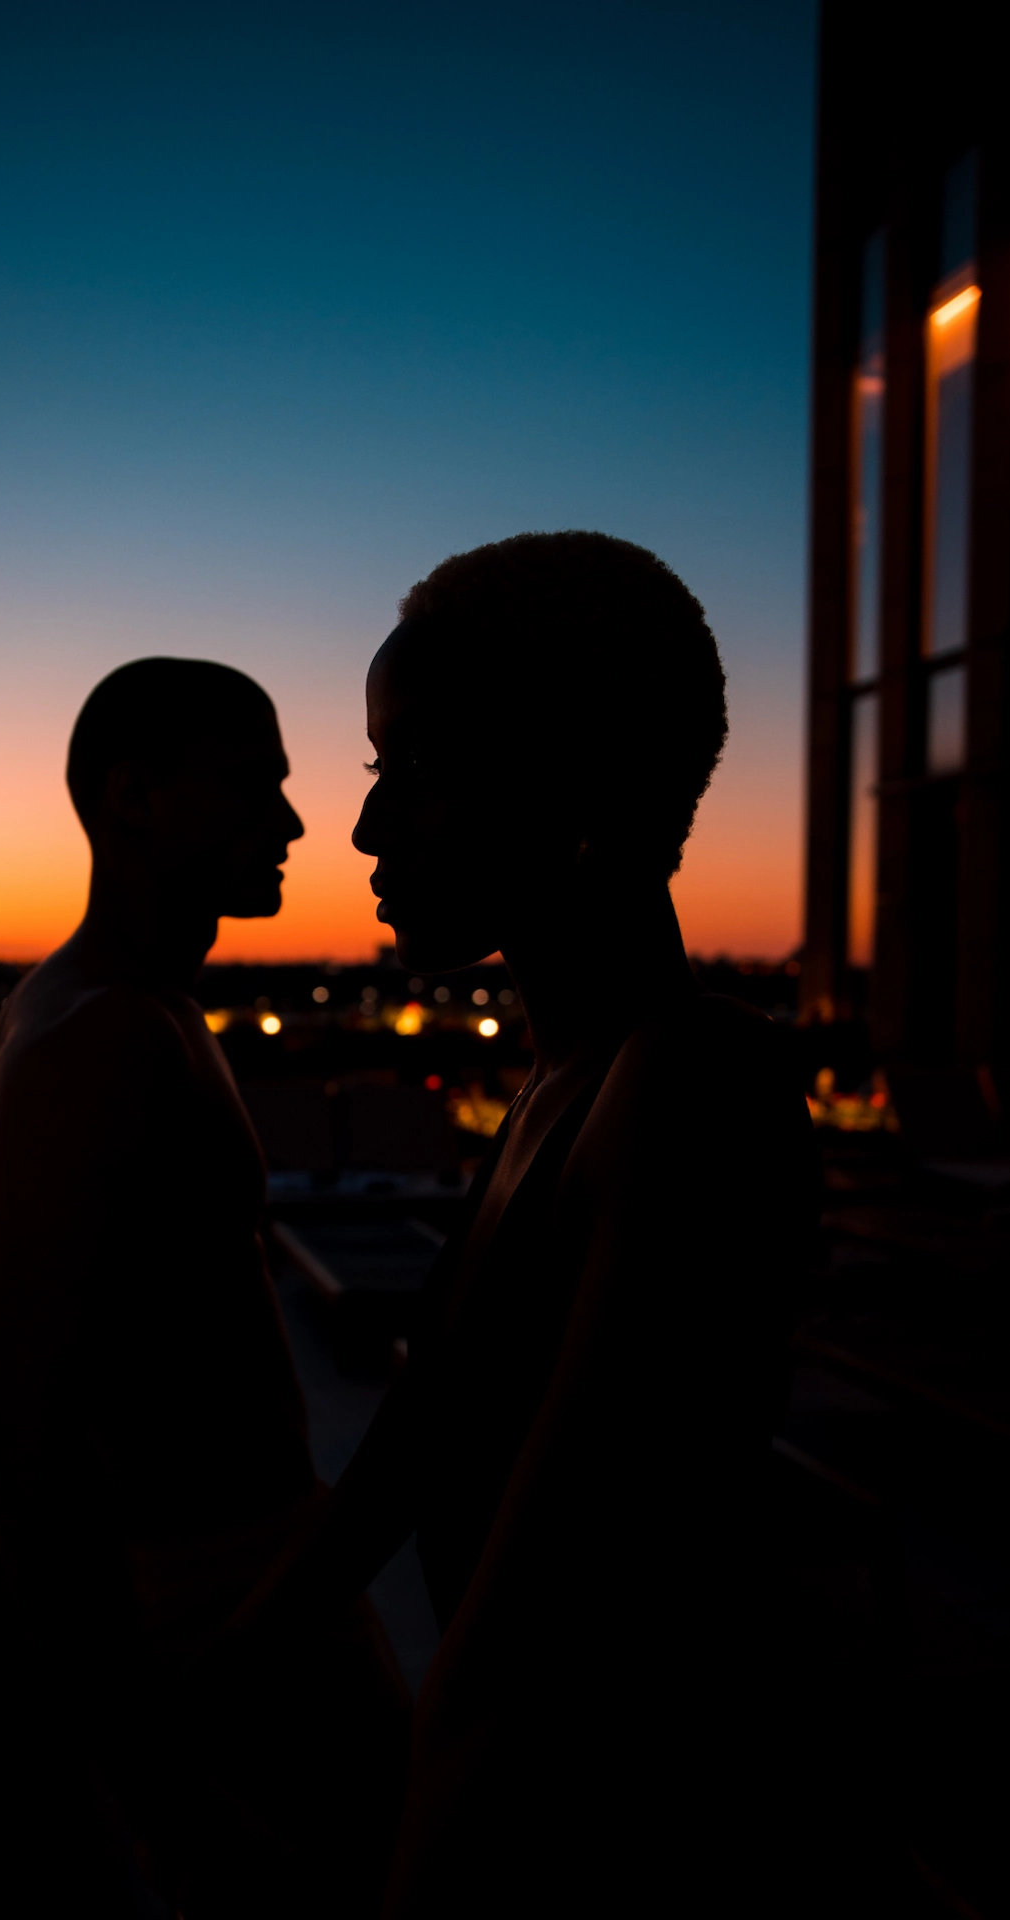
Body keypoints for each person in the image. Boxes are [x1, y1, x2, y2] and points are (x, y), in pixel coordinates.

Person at [218, 534, 819, 1916]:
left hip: (633, 1839)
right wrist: (216, 1669)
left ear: (577, 787)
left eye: (412, 772)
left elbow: (537, 1632)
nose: (368, 832)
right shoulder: (569, 1077)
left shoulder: (684, 1088)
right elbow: (420, 1441)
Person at [0, 657, 409, 1918]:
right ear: (131, 796)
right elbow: (14, 1434)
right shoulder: (98, 1036)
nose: (291, 822)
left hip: (251, 1583)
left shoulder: (103, 1011)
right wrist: (169, 1798)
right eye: (246, 784)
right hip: (218, 1612)